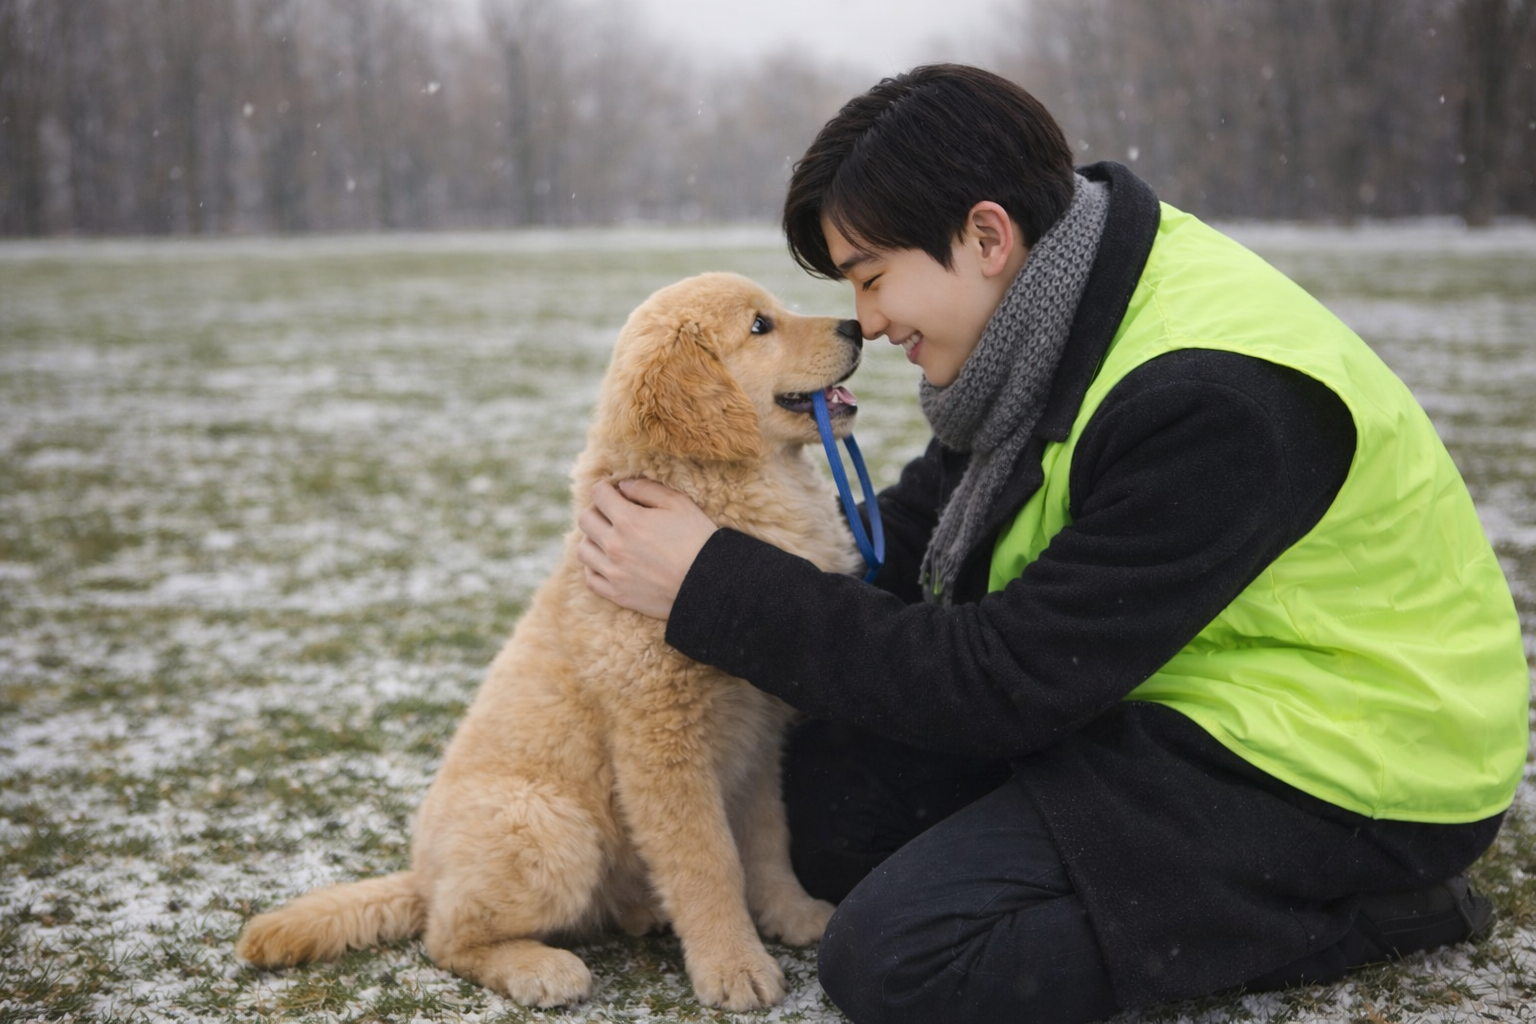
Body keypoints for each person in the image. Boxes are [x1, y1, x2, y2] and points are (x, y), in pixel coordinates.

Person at [575, 64, 1529, 1023]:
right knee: (822, 807)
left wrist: (718, 586)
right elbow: (922, 542)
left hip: (1348, 758)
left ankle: (1377, 910)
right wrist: (717, 541)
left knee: (904, 960)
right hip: (1152, 688)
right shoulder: (1054, 313)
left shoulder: (1211, 401)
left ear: (987, 237)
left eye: (872, 277)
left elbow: (1001, 686)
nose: (866, 321)